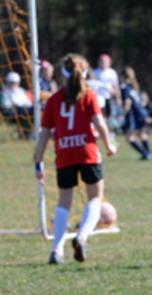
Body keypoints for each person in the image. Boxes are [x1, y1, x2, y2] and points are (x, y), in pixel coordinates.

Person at [33, 53, 117, 265]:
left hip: (64, 153)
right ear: (85, 73)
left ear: (62, 75)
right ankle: (82, 236)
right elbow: (99, 123)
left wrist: (38, 162)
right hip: (87, 152)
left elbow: (44, 133)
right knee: (95, 198)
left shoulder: (53, 99)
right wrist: (109, 145)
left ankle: (57, 249)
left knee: (64, 202)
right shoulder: (88, 96)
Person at [119, 66, 151, 160]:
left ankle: (146, 153)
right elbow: (143, 100)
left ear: (122, 76)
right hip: (143, 113)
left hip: (134, 115)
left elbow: (128, 103)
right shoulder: (134, 86)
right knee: (142, 134)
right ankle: (148, 154)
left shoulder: (124, 87)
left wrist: (122, 115)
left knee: (129, 137)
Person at [93, 54, 122, 140]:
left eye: (105, 62)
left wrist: (118, 97)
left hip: (108, 98)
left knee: (110, 117)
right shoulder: (95, 72)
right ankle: (99, 134)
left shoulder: (112, 72)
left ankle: (111, 135)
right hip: (98, 99)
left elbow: (116, 86)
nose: (103, 63)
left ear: (109, 63)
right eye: (101, 61)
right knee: (100, 117)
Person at [0, 71, 33, 137]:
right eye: (12, 83)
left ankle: (29, 132)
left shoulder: (21, 90)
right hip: (13, 112)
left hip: (25, 110)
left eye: (15, 83)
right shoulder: (5, 91)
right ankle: (25, 133)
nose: (14, 84)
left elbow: (28, 103)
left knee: (35, 111)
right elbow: (6, 105)